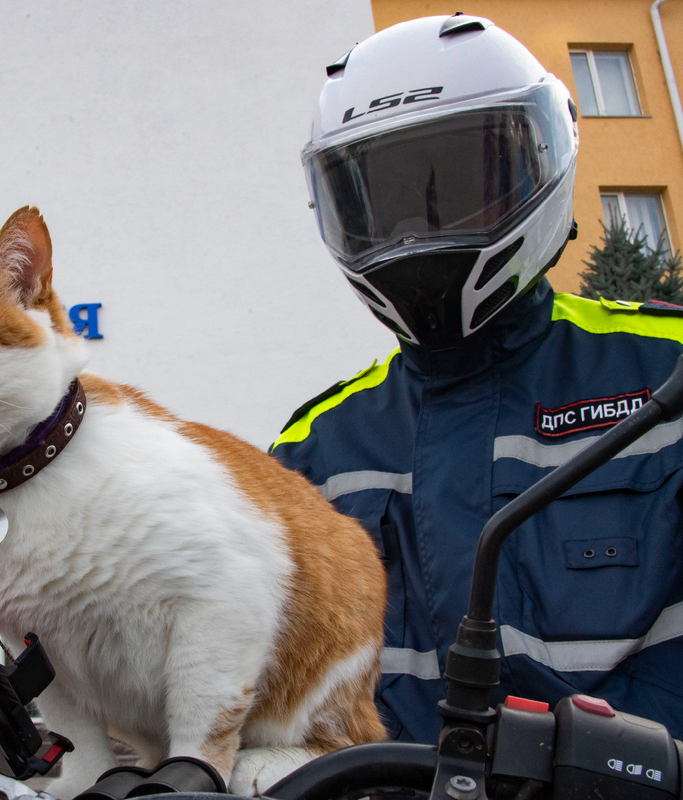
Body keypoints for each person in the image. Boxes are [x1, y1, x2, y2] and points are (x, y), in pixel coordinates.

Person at [270, 13, 683, 743]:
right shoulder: (317, 449)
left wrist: (587, 756)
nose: (419, 228)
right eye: (387, 201)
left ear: (542, 159)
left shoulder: (668, 373)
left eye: (459, 186)